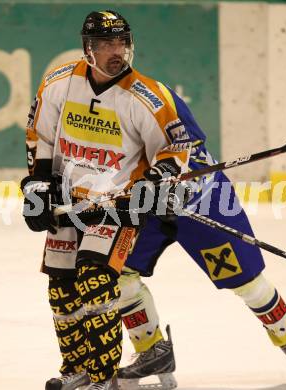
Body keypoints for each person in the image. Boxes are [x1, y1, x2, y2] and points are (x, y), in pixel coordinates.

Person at [20, 10, 193, 390]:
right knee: (62, 290)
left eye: (122, 43)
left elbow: (173, 148)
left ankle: (104, 377)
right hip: (67, 202)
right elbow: (41, 135)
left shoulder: (147, 95)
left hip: (117, 206)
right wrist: (37, 185)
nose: (117, 51)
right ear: (88, 48)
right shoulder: (58, 83)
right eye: (106, 44)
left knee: (96, 280)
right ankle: (76, 368)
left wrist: (159, 178)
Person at [114, 86, 286, 389]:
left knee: (247, 282)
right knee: (119, 274)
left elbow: (192, 148)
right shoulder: (92, 104)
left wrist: (174, 183)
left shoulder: (154, 96)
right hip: (146, 207)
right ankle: (153, 352)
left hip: (202, 199)